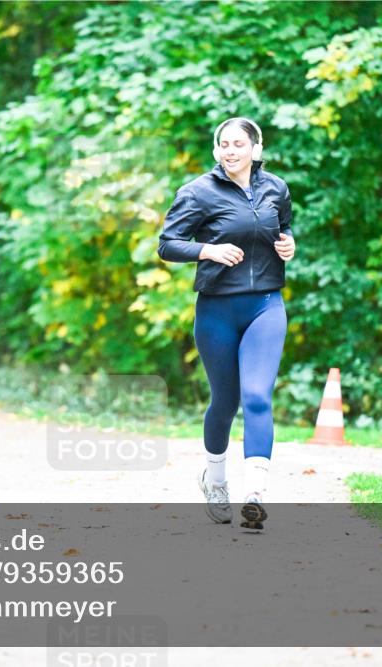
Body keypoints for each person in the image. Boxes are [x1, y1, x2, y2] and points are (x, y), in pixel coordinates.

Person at [158, 117, 296, 529]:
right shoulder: (198, 192)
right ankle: (215, 480)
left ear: (256, 148)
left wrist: (288, 244)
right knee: (226, 402)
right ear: (217, 150)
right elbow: (167, 244)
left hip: (266, 305)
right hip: (217, 310)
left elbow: (283, 227)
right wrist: (208, 251)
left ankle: (254, 493)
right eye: (224, 144)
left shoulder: (276, 188)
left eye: (239, 143)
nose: (231, 151)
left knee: (257, 396)